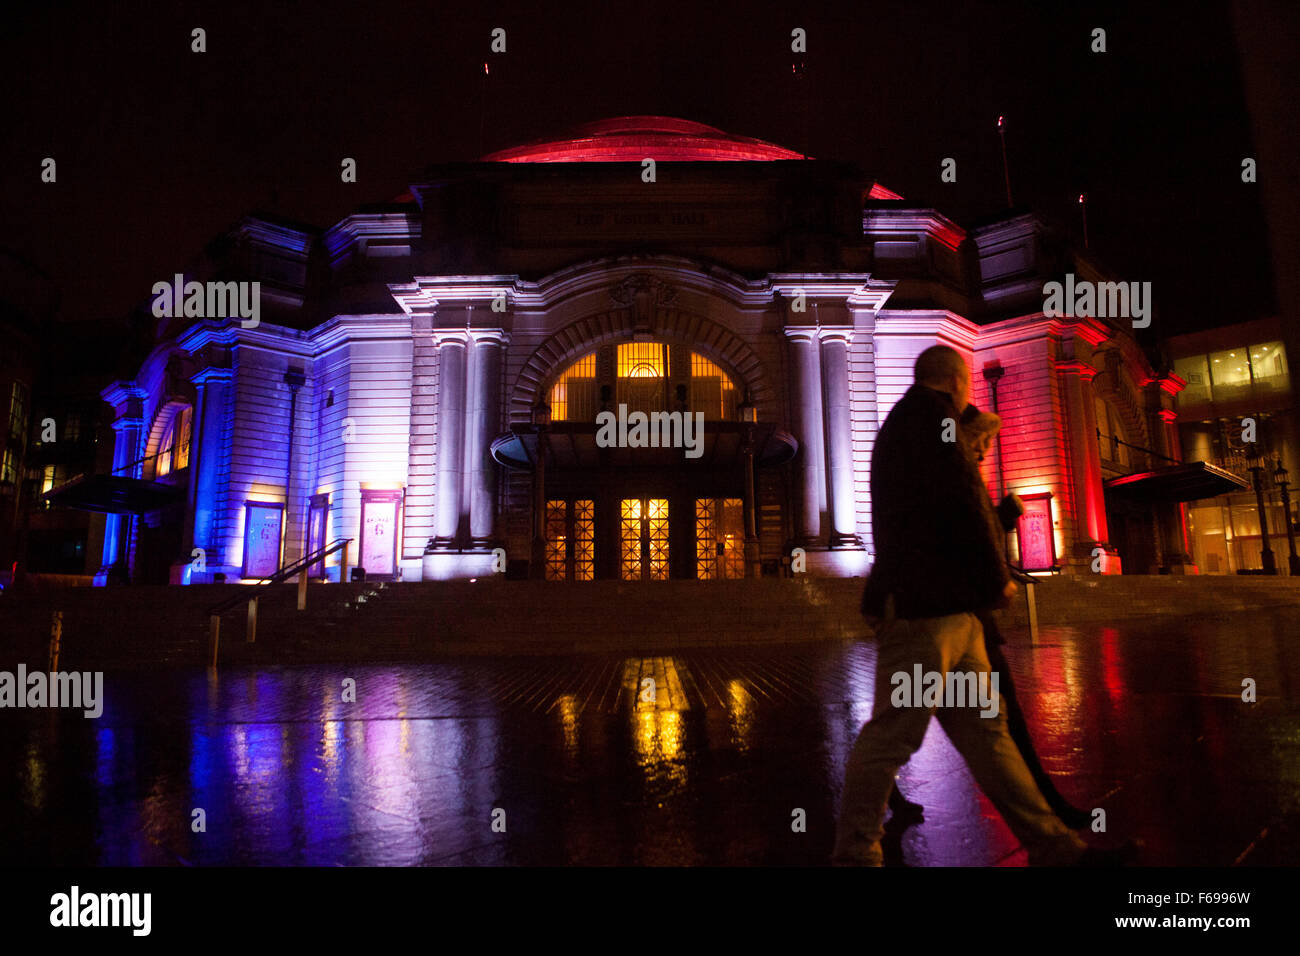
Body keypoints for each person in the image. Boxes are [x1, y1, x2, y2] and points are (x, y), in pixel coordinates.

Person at [834, 345, 1134, 865]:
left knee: (986, 732)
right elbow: (963, 502)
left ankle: (1055, 846)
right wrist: (997, 579)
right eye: (968, 383)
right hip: (927, 609)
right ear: (957, 379)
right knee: (894, 736)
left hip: (944, 607)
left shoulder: (911, 421)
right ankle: (855, 854)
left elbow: (947, 505)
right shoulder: (934, 419)